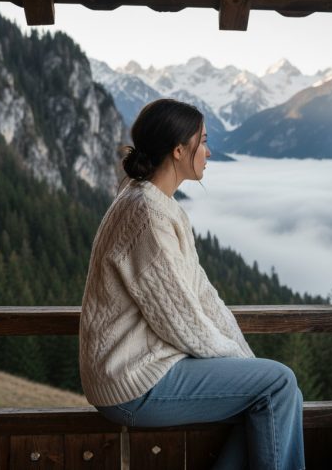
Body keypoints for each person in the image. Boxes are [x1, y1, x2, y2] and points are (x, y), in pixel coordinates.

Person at [78, 98, 305, 470]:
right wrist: (246, 366)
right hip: (131, 382)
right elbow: (181, 320)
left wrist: (245, 361)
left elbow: (203, 295)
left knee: (267, 390)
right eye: (203, 141)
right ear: (180, 150)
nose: (209, 151)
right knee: (278, 384)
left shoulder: (157, 205)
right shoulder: (147, 215)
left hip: (139, 372)